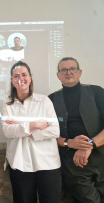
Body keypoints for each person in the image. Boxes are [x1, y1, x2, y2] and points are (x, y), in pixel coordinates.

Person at [1, 61, 61, 203]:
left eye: (24, 75)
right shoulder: (7, 103)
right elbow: (7, 131)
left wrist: (22, 128)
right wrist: (34, 125)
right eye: (16, 76)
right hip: (19, 163)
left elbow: (54, 131)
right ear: (11, 80)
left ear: (30, 77)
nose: (20, 79)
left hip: (48, 164)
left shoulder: (44, 101)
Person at [49, 57, 104, 203]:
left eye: (72, 68)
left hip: (101, 157)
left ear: (79, 72)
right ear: (58, 75)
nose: (68, 73)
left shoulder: (97, 92)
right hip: (73, 163)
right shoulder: (51, 100)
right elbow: (46, 135)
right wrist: (69, 143)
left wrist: (89, 145)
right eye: (63, 70)